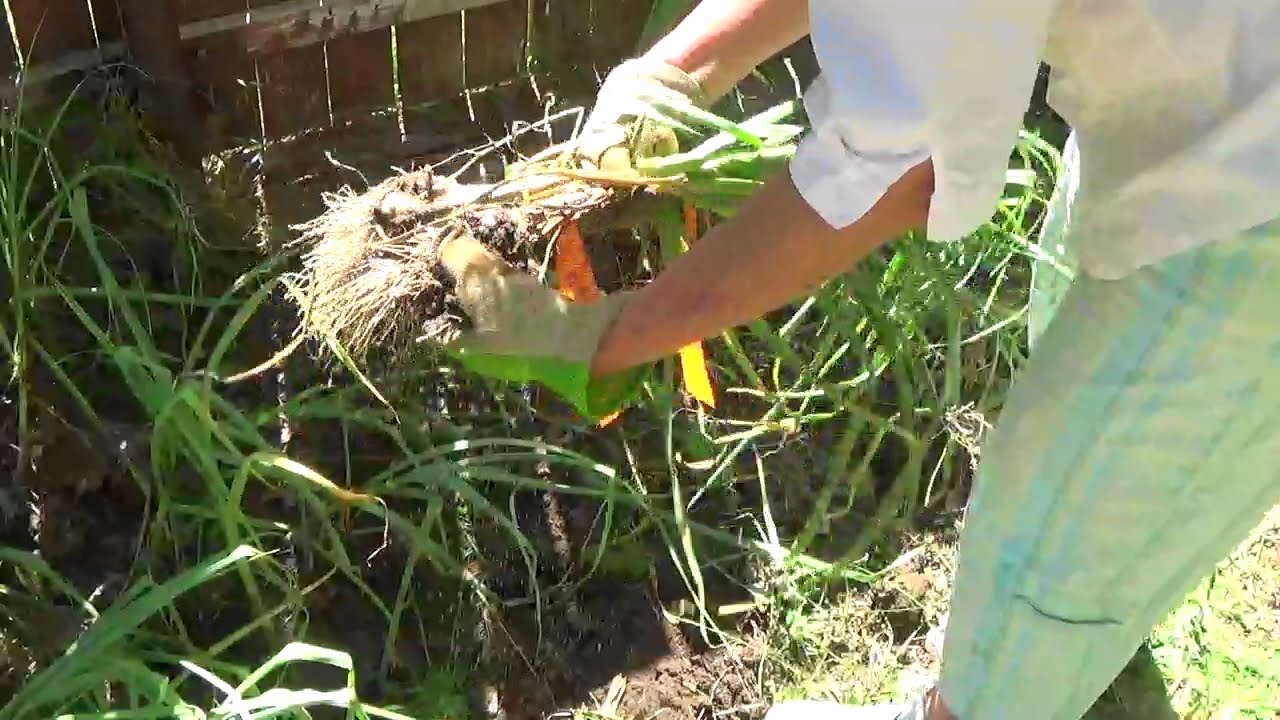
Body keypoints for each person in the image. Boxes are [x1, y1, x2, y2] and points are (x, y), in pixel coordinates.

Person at [437, 1, 1280, 718]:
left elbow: (903, 170)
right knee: (1088, 477)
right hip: (1194, 102)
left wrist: (606, 336)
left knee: (1044, 552)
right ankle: (1071, 660)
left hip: (1251, 206)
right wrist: (673, 73)